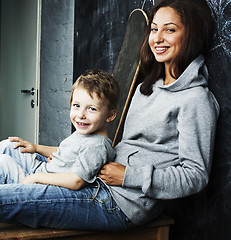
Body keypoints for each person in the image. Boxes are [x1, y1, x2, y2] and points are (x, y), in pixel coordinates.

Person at [0, 0, 219, 232]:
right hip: (94, 176)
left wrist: (129, 176)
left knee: (7, 197)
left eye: (170, 29)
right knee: (8, 149)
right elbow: (106, 147)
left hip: (118, 202)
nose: (157, 38)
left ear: (192, 35)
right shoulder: (147, 86)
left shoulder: (196, 100)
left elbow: (195, 176)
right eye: (154, 29)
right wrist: (59, 156)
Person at [0, 69, 119, 190]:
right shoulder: (85, 134)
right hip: (42, 170)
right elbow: (68, 151)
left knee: (3, 163)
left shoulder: (97, 145)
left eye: (92, 109)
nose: (81, 115)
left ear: (110, 115)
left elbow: (76, 181)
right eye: (76, 106)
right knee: (9, 145)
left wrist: (36, 177)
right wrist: (36, 148)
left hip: (43, 183)